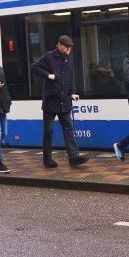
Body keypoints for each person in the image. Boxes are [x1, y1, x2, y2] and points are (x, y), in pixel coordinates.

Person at [31, 35, 88, 168]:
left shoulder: (69, 58)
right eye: (67, 47)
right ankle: (47, 158)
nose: (69, 49)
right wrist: (48, 75)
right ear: (60, 45)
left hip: (65, 100)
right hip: (51, 100)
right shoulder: (49, 57)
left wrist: (72, 92)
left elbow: (69, 77)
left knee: (69, 128)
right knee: (49, 130)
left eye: (70, 47)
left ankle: (74, 157)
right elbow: (34, 67)